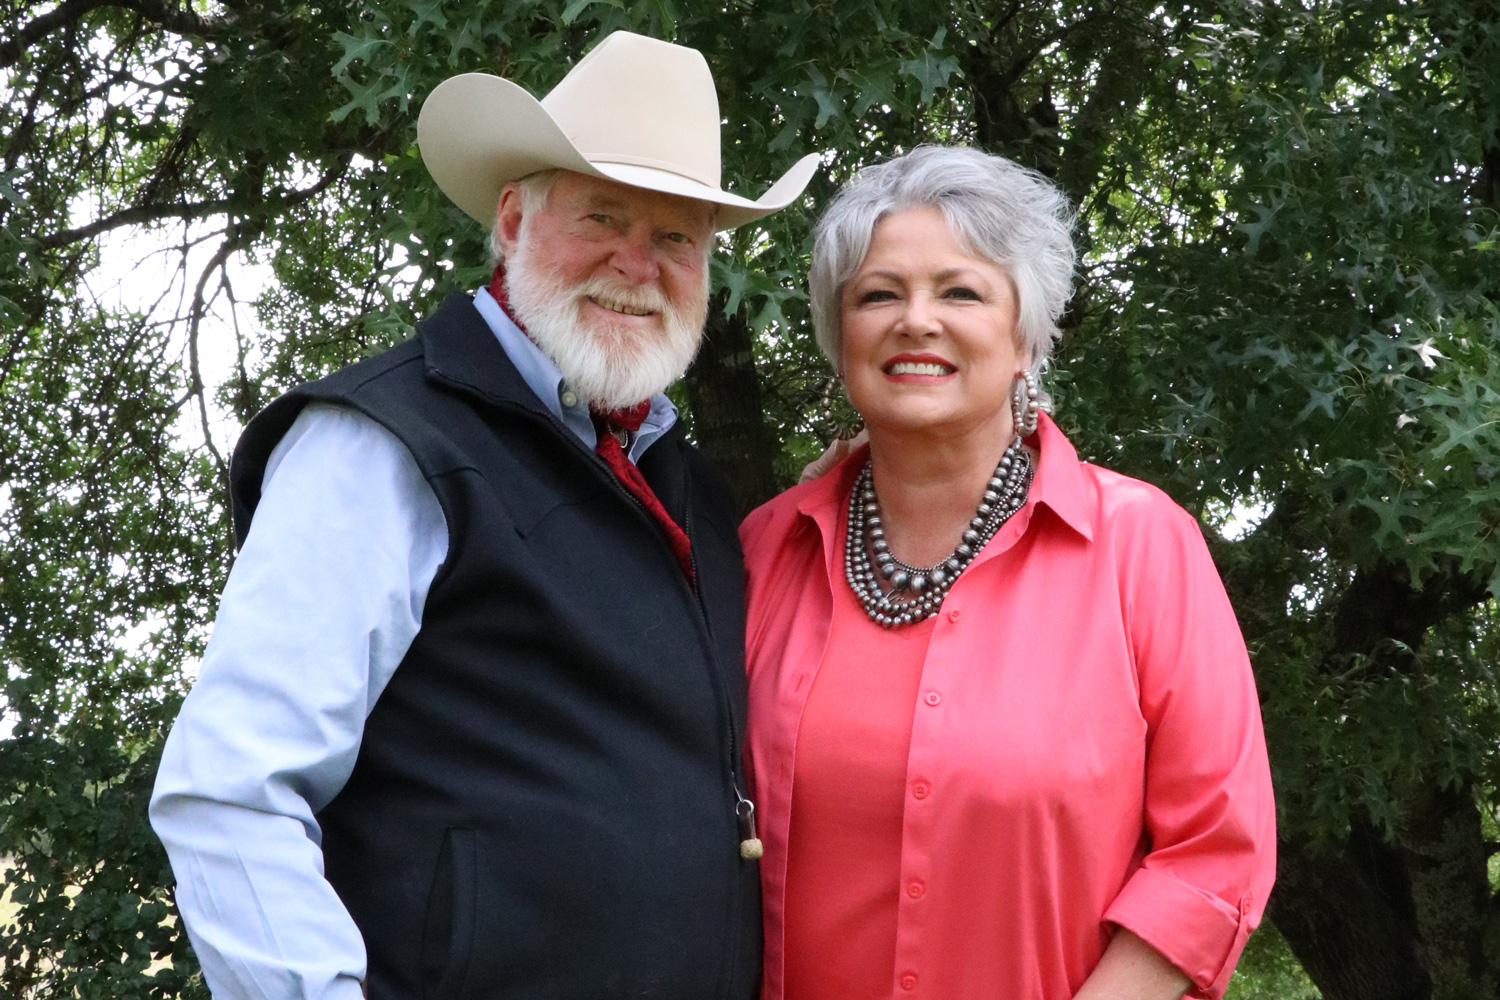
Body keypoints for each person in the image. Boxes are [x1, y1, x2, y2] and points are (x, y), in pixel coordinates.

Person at [150, 31, 816, 1000]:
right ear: (512, 218)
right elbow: (231, 791)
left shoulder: (695, 493)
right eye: (603, 215)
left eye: (677, 235)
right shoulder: (383, 444)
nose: (639, 262)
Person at [740, 146, 1276, 1000]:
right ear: (839, 338)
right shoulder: (764, 552)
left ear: (1026, 338)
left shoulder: (1141, 546)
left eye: (960, 291)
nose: (916, 320)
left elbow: (1215, 855)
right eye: (878, 294)